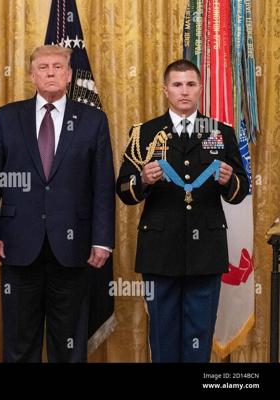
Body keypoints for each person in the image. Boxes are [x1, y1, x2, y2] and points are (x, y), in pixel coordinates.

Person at [0, 45, 115, 362]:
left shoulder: (93, 120)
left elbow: (103, 185)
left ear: (69, 75)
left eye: (57, 67)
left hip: (73, 247)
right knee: (19, 343)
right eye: (43, 67)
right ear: (32, 75)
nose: (50, 72)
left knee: (68, 344)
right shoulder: (6, 117)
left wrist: (102, 240)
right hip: (17, 245)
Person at [116, 59, 249, 362]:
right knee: (162, 336)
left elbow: (242, 190)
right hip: (160, 249)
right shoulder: (145, 133)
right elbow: (123, 189)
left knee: (199, 336)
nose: (184, 91)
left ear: (200, 88)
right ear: (166, 90)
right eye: (177, 85)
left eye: (191, 84)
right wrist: (142, 180)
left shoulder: (221, 132)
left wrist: (229, 181)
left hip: (206, 251)